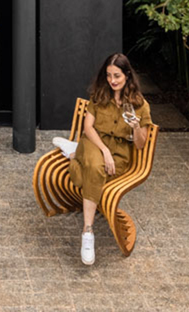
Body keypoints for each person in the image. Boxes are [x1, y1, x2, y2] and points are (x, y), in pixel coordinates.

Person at [52, 52, 151, 265]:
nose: (112, 80)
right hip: (94, 142)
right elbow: (88, 128)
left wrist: (136, 127)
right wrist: (105, 151)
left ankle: (74, 156)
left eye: (117, 75)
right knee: (96, 168)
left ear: (127, 75)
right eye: (108, 75)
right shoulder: (100, 96)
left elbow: (141, 144)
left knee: (84, 176)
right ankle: (88, 232)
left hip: (119, 157)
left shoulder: (140, 105)